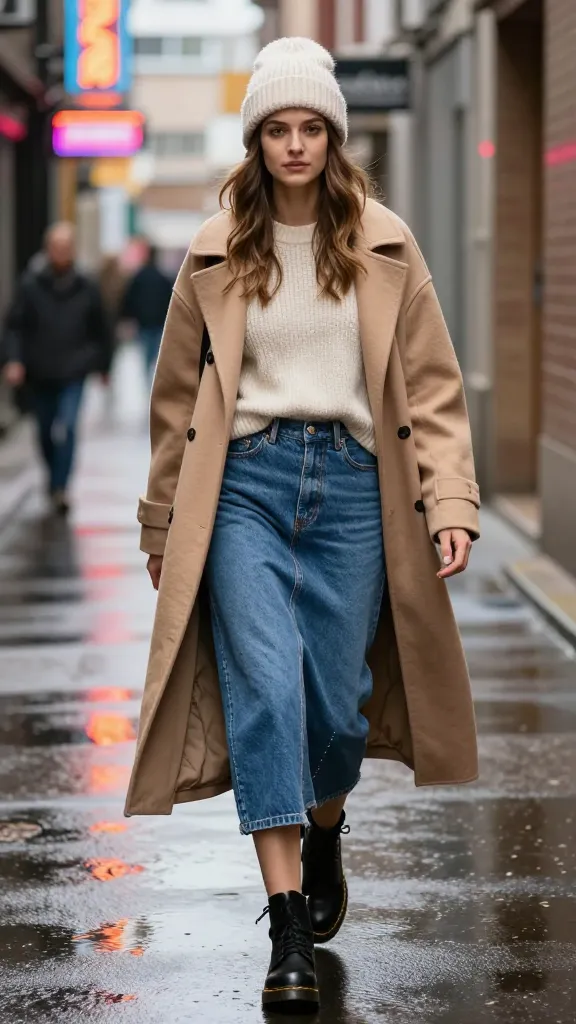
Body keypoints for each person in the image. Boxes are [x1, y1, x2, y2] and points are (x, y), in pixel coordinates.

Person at [125, 37, 481, 1014]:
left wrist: (450, 502)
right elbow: (171, 405)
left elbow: (438, 392)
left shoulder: (387, 244)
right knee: (266, 694)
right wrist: (164, 524)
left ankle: (325, 828)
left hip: (357, 489)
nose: (293, 144)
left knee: (337, 707)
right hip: (243, 483)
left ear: (333, 135)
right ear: (255, 141)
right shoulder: (212, 250)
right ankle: (285, 919)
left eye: (309, 127)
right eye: (276, 129)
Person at [1, 222, 112, 515]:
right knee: (45, 431)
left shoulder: (86, 283)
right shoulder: (30, 282)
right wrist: (14, 360)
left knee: (68, 427)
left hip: (74, 370)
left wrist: (103, 365)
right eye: (56, 247)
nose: (61, 252)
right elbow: (15, 326)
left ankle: (61, 487)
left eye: (66, 247)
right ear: (47, 249)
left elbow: (101, 327)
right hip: (40, 370)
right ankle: (53, 479)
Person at [120, 241, 173, 382]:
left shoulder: (139, 277)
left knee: (146, 354)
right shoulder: (163, 278)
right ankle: (153, 380)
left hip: (144, 322)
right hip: (159, 322)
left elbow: (129, 299)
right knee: (155, 354)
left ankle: (148, 380)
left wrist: (127, 317)